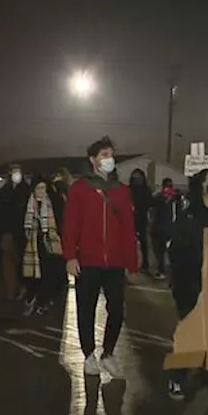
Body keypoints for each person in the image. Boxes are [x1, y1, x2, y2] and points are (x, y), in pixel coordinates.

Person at [61, 136, 138, 378]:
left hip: (114, 261)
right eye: (104, 155)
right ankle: (88, 355)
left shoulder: (122, 191)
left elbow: (128, 226)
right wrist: (70, 256)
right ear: (93, 160)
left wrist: (131, 259)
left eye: (111, 154)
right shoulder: (80, 189)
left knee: (117, 308)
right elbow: (71, 224)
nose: (109, 159)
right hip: (88, 260)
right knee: (86, 308)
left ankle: (108, 353)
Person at [167, 168, 208, 415]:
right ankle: (177, 378)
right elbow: (178, 253)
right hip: (192, 286)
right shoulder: (189, 217)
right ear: (200, 186)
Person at [23, 175, 66, 314]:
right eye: (39, 188)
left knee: (50, 272)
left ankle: (44, 300)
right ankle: (36, 297)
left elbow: (60, 220)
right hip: (33, 243)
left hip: (50, 242)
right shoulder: (28, 203)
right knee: (36, 274)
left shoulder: (53, 202)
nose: (42, 191)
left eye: (44, 188)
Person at [0, 164, 32, 304]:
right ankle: (11, 291)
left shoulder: (26, 191)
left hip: (22, 233)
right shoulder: (3, 192)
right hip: (7, 233)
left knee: (21, 262)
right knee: (8, 263)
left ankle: (22, 288)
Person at [149, 178, 177, 279]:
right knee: (161, 252)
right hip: (162, 229)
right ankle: (163, 271)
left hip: (165, 229)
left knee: (164, 252)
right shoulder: (162, 198)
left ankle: (165, 271)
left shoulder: (173, 199)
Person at [128, 168, 153, 274]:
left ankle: (144, 264)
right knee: (130, 243)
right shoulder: (129, 190)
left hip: (141, 219)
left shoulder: (145, 190)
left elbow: (149, 203)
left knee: (143, 243)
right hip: (130, 219)